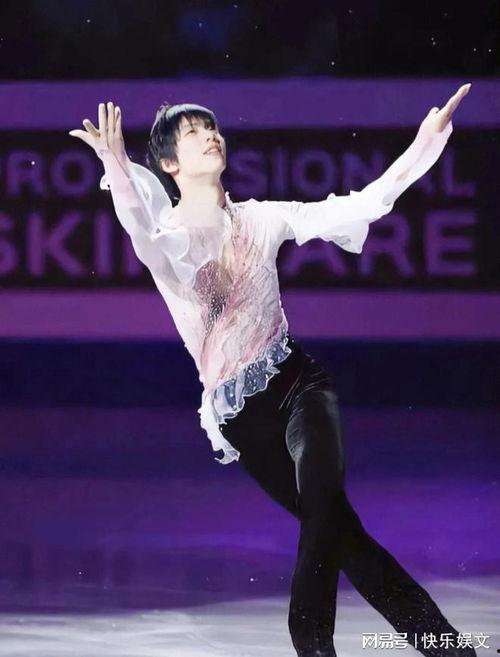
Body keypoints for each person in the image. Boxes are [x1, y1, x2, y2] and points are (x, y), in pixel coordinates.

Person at [69, 84, 475, 657]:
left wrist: (424, 144)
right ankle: (448, 647)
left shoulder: (264, 218)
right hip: (242, 418)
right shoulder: (171, 242)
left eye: (212, 127)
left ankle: (315, 646)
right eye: (192, 133)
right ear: (168, 164)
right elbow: (140, 230)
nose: (210, 136)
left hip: (300, 384)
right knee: (343, 536)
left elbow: (364, 204)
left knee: (322, 508)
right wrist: (115, 163)